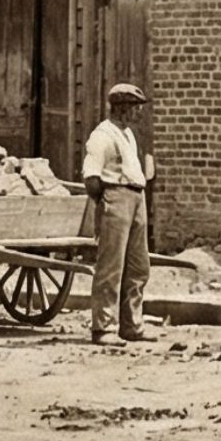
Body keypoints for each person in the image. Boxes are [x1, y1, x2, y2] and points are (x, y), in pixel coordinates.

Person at [82, 83, 155, 346]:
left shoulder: (128, 135)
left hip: (136, 197)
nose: (139, 113)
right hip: (115, 197)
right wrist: (106, 202)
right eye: (136, 107)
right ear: (123, 108)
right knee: (111, 266)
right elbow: (91, 177)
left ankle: (132, 325)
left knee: (138, 267)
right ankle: (103, 328)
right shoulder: (102, 136)